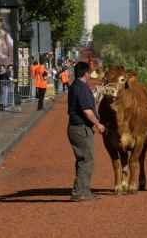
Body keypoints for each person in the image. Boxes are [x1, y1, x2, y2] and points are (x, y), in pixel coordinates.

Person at [67, 61, 105, 202]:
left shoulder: (75, 86)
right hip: (81, 128)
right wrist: (98, 124)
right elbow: (87, 111)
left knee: (83, 160)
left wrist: (95, 93)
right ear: (87, 74)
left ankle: (84, 190)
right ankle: (79, 192)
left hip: (75, 127)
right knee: (87, 160)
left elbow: (84, 101)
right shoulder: (82, 88)